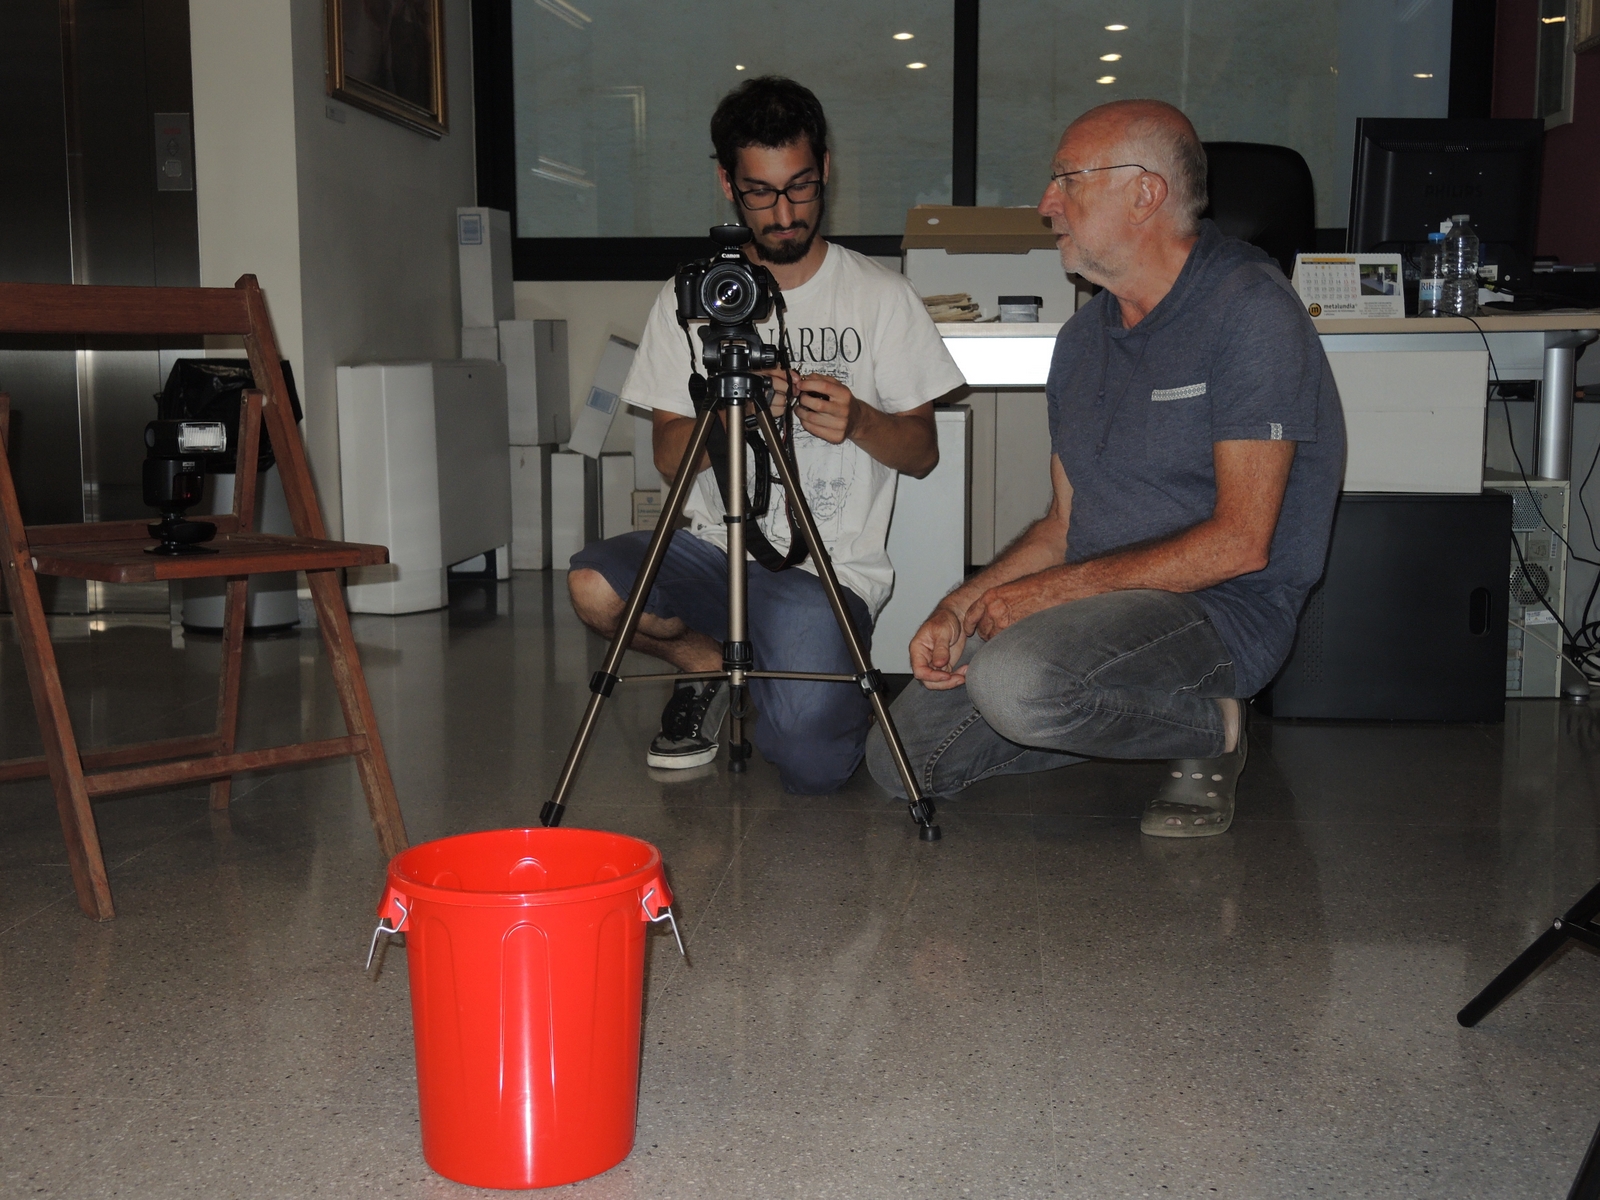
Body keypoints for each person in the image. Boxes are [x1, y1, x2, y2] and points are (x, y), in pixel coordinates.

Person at [867, 99, 1345, 837]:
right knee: (900, 762)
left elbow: (1241, 542)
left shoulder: (1250, 311)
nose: (1045, 204)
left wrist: (1047, 596)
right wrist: (963, 604)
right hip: (1097, 606)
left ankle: (1211, 727)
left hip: (1220, 610)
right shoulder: (1082, 339)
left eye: (1068, 180)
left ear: (1145, 193)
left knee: (1014, 680)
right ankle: (1094, 704)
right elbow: (1065, 523)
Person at [569, 76, 965, 794]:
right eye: (760, 193)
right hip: (709, 550)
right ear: (727, 184)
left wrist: (860, 421)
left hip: (825, 571)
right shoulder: (693, 299)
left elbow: (923, 453)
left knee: (814, 767)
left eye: (800, 187)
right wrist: (731, 417)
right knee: (594, 587)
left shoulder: (881, 297)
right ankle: (705, 664)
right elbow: (669, 461)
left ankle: (788, 674)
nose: (784, 214)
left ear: (826, 170)